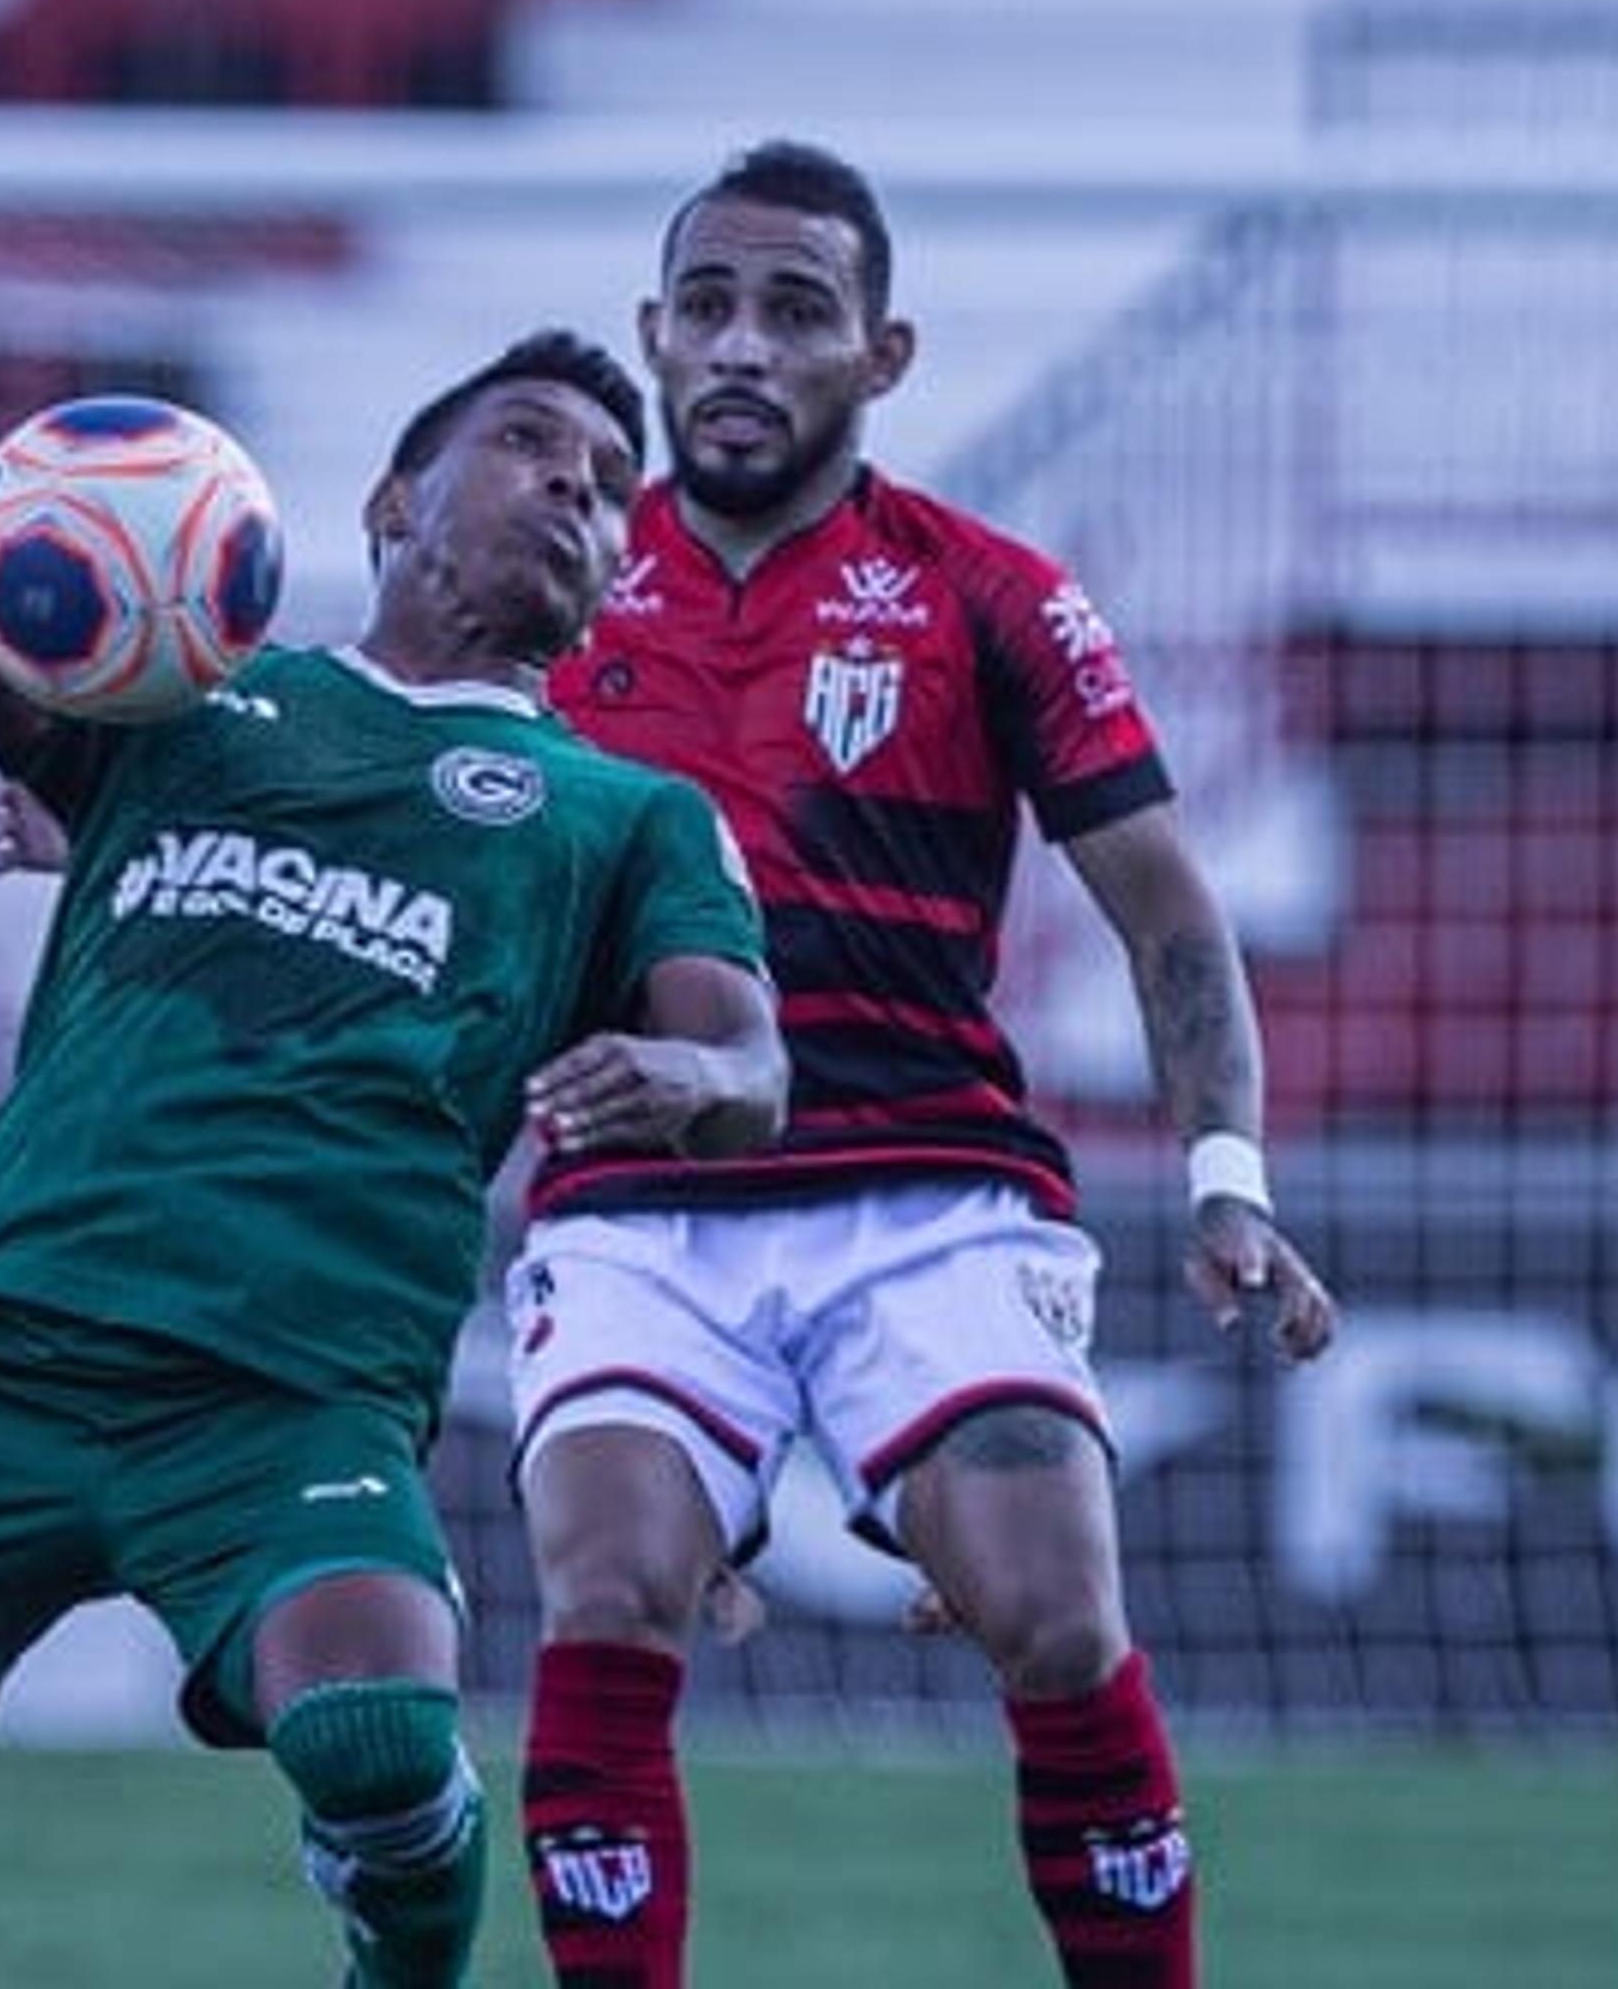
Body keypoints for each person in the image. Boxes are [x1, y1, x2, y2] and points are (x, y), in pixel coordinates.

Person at [0, 290, 789, 1988]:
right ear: (392, 502)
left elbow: (748, 1060)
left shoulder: (626, 818)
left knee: (383, 1743)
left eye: (612, 486)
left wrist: (688, 1086)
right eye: (530, 446)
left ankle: (399, 1946)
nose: (577, 494)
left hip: (289, 1387)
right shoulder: (194, 709)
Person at [503, 139, 1343, 1989]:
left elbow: (1172, 917)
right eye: (708, 307)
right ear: (652, 334)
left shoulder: (990, 596)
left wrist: (1227, 1179)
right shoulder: (550, 597)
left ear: (882, 358)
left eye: (796, 312)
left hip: (932, 1198)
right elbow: (367, 813)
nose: (741, 347)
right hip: (643, 1204)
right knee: (610, 1589)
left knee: (1054, 1611)